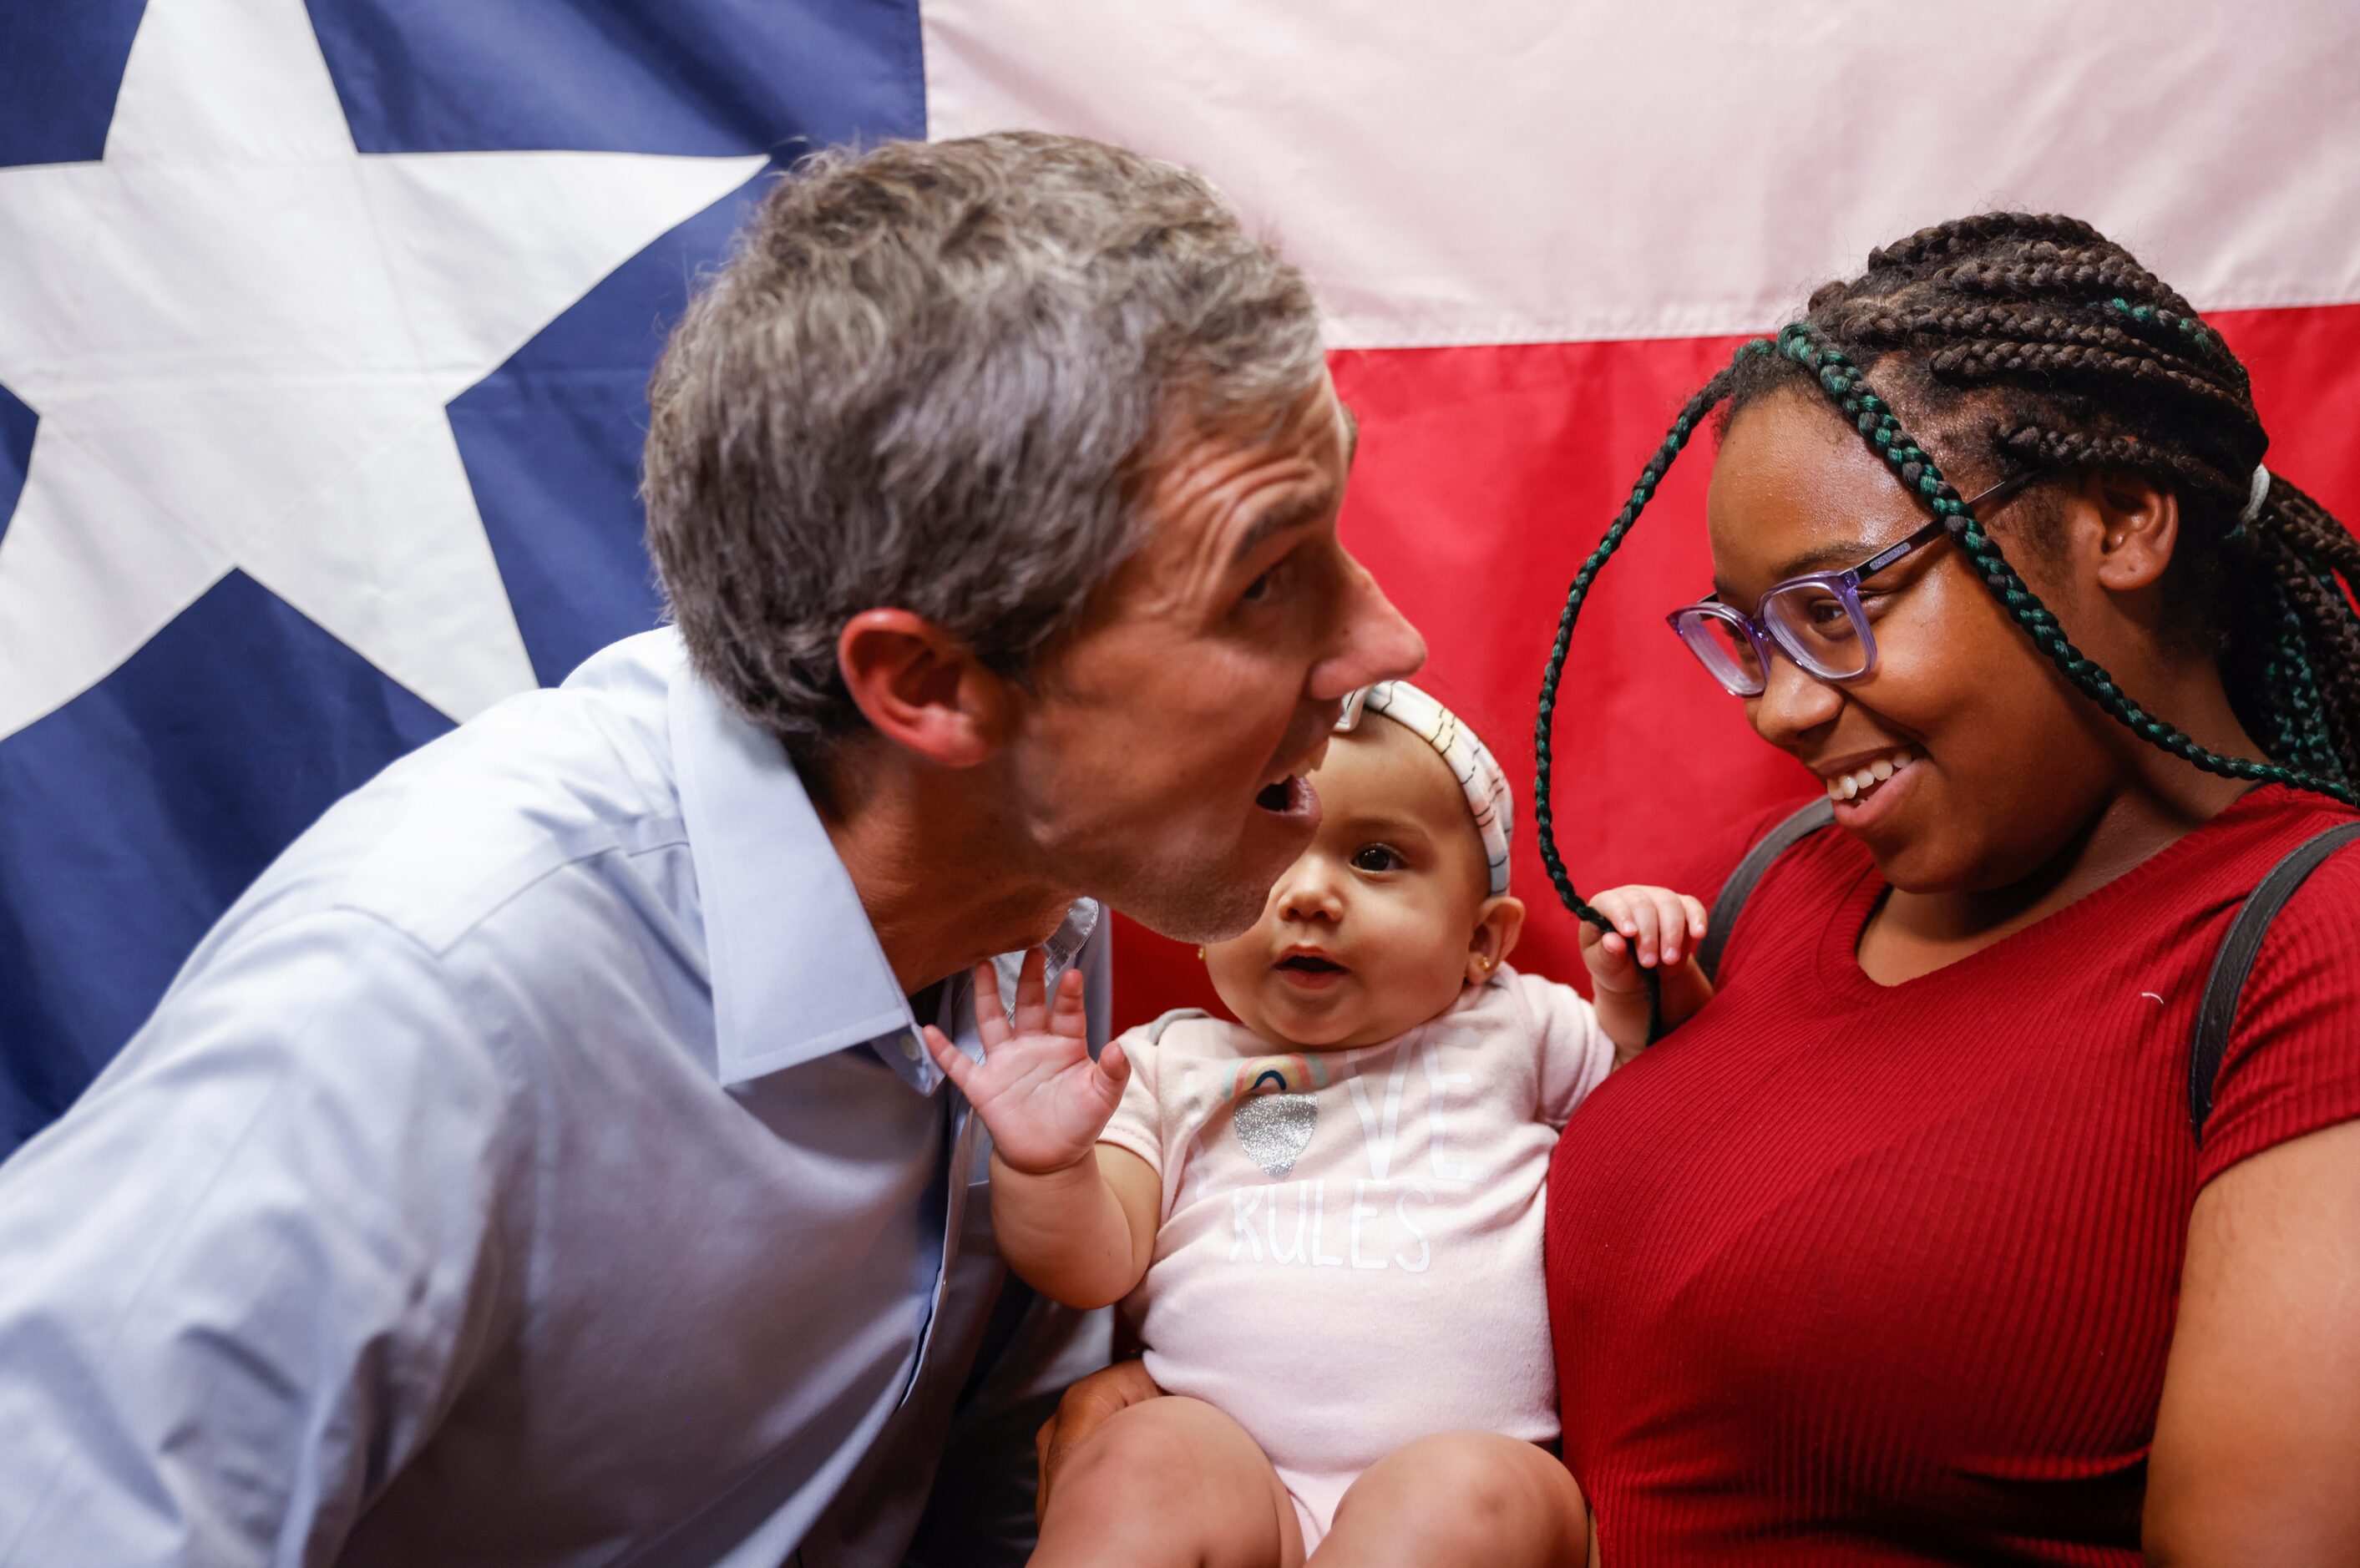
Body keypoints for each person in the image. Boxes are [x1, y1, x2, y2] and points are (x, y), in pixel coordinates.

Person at [0, 132, 1424, 1566]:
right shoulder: (415, 1002)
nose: (1384, 644)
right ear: (929, 688)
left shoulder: (1036, 881)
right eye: (1264, 581)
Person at [1535, 214, 2360, 1563]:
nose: (1782, 709)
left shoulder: (2311, 938)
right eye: (1749, 636)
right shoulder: (1777, 886)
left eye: (1836, 603)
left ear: (2118, 521)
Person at [932, 680, 1706, 1566]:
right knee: (1132, 1464)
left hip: (1465, 1459)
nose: (1308, 895)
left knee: (1471, 1495)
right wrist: (1047, 1166)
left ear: (1482, 943)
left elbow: (1679, 1114)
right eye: (1267, 853)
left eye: (1375, 858)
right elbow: (1090, 1264)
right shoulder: (1167, 1064)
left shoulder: (1517, 1026)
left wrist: (1645, 978)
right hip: (1231, 1457)